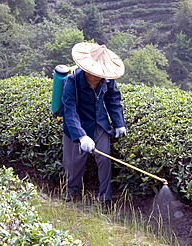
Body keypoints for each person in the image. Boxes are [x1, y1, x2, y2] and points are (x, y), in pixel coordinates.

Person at [61, 42, 126, 208]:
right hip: (76, 126)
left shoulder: (107, 80)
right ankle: (71, 190)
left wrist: (119, 123)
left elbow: (113, 100)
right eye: (96, 72)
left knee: (104, 159)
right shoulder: (72, 81)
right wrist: (81, 136)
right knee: (74, 162)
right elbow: (70, 111)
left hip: (100, 123)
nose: (99, 75)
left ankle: (105, 198)